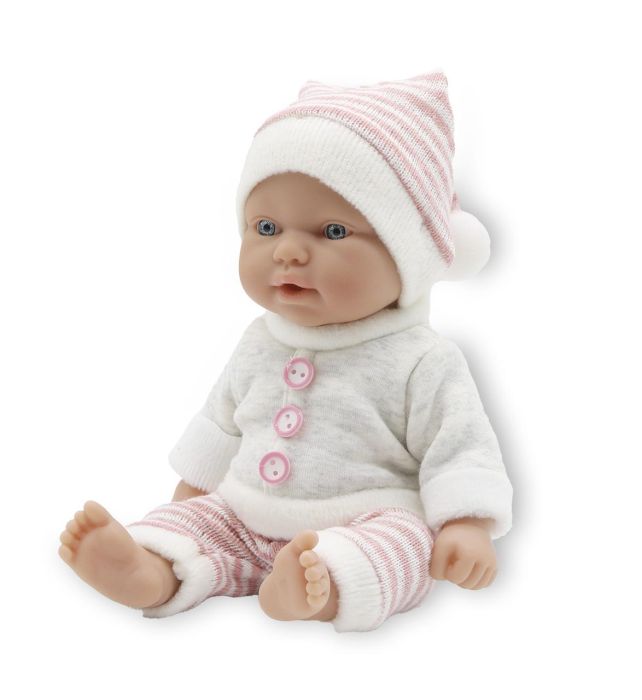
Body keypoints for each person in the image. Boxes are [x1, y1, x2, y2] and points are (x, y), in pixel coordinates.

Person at [58, 70, 513, 633]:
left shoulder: (422, 359)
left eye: (333, 232)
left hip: (364, 516)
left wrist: (466, 524)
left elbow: (460, 447)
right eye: (267, 227)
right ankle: (151, 567)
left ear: (408, 256)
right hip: (247, 510)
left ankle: (320, 588)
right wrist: (192, 496)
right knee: (198, 524)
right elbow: (222, 421)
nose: (288, 252)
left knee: (404, 545)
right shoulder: (260, 340)